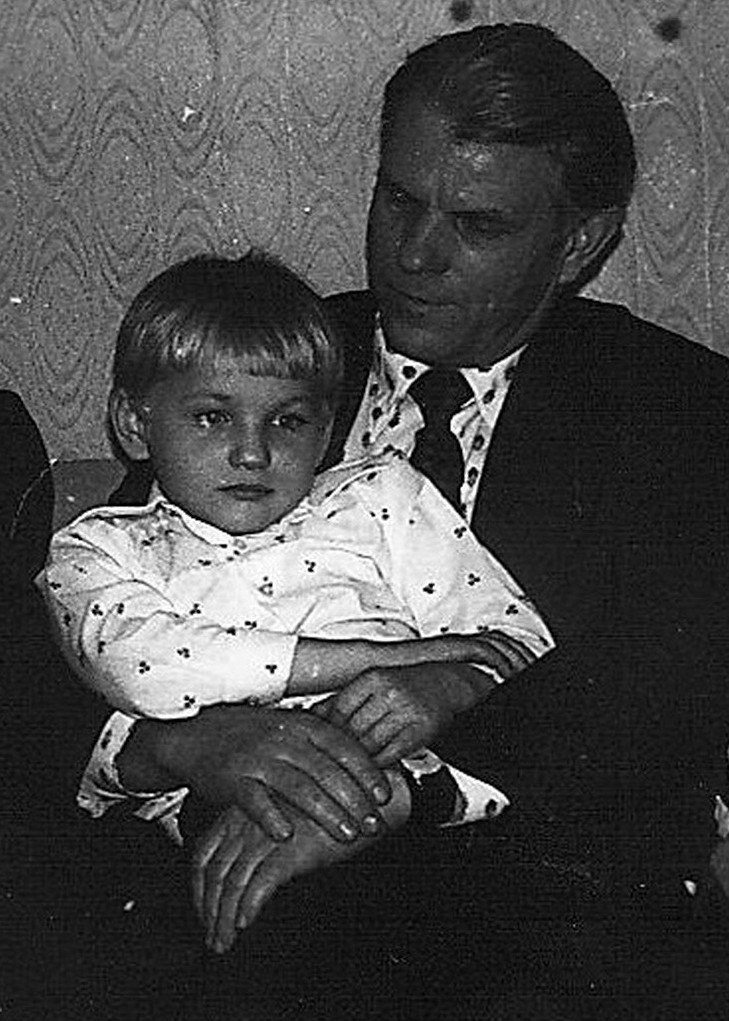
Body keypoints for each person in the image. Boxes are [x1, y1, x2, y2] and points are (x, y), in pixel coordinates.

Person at [60, 22, 729, 1020]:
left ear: (578, 243)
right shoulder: (270, 357)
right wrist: (177, 747)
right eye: (399, 199)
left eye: (477, 224)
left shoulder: (678, 411)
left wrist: (390, 788)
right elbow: (86, 611)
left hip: (537, 904)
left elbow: (664, 698)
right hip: (228, 886)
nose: (415, 254)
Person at [40, 251, 551, 869]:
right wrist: (385, 658)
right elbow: (147, 670)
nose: (253, 453)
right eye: (212, 417)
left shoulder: (380, 495)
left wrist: (447, 681)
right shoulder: (96, 550)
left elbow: (520, 643)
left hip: (416, 790)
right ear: (133, 424)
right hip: (226, 813)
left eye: (287, 420)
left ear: (325, 429)